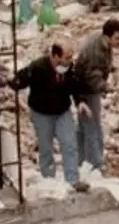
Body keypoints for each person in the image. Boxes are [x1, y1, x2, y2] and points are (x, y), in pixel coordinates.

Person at [7, 43, 90, 191]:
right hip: (41, 114)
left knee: (69, 144)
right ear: (55, 56)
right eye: (67, 57)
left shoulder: (69, 68)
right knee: (46, 147)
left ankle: (73, 179)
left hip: (62, 112)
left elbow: (75, 86)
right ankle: (48, 179)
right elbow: (20, 80)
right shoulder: (38, 67)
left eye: (71, 57)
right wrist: (11, 81)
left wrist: (80, 102)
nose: (70, 60)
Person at [72, 18, 119, 173]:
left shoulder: (102, 42)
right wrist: (107, 89)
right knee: (92, 127)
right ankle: (95, 164)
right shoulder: (95, 50)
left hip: (85, 88)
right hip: (86, 90)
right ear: (108, 36)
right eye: (117, 38)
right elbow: (92, 76)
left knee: (83, 127)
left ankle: (80, 161)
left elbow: (102, 65)